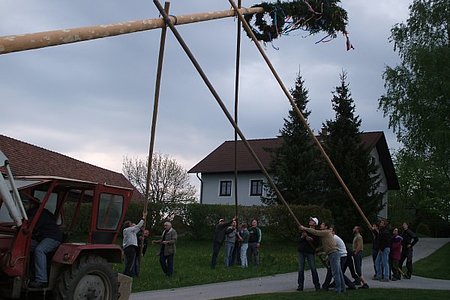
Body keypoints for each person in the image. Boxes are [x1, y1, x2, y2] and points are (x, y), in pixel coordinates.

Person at [300, 222, 345, 294]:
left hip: (333, 253)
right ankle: (342, 289)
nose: (321, 225)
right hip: (333, 253)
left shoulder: (325, 232)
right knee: (339, 272)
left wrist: (304, 228)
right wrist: (318, 250)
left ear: (326, 227)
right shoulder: (326, 234)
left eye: (322, 224)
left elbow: (315, 232)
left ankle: (338, 290)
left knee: (335, 273)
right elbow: (326, 245)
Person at [27, 202, 64, 288]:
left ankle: (41, 280)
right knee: (25, 246)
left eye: (28, 204)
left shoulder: (38, 214)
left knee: (40, 250)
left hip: (52, 237)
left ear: (32, 205)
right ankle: (28, 274)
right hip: (43, 238)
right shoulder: (41, 212)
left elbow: (32, 227)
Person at [297, 217, 320, 292]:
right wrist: (302, 236)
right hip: (302, 251)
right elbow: (298, 241)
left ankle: (317, 285)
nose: (310, 221)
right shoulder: (304, 230)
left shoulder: (316, 232)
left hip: (310, 252)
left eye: (312, 221)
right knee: (301, 269)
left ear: (315, 224)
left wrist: (311, 240)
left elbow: (317, 244)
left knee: (313, 268)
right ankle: (300, 285)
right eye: (310, 220)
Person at [122, 211, 147, 277]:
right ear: (129, 225)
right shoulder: (128, 230)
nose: (132, 224)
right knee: (130, 262)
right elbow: (138, 226)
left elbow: (137, 228)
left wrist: (141, 227)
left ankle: (128, 273)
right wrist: (143, 217)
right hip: (130, 248)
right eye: (131, 224)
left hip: (129, 248)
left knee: (130, 262)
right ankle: (127, 274)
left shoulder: (129, 231)